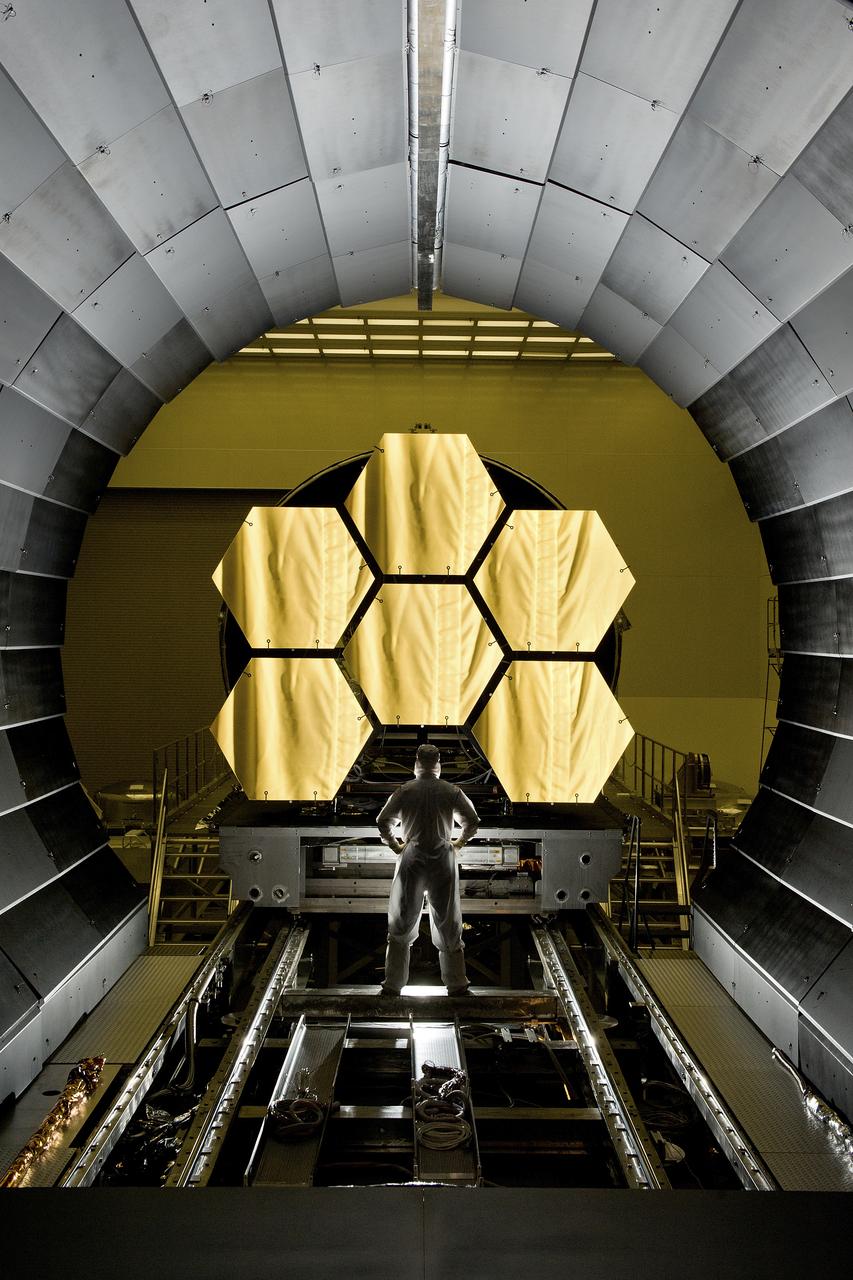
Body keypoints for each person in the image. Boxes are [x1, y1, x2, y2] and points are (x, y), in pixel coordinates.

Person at [376, 743, 479, 996]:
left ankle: (393, 985)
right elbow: (472, 821)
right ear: (438, 763)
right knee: (447, 921)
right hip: (442, 856)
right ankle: (456, 984)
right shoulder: (451, 791)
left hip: (412, 856)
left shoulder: (405, 791)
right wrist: (458, 843)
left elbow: (382, 821)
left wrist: (396, 845)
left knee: (402, 920)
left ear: (416, 763)